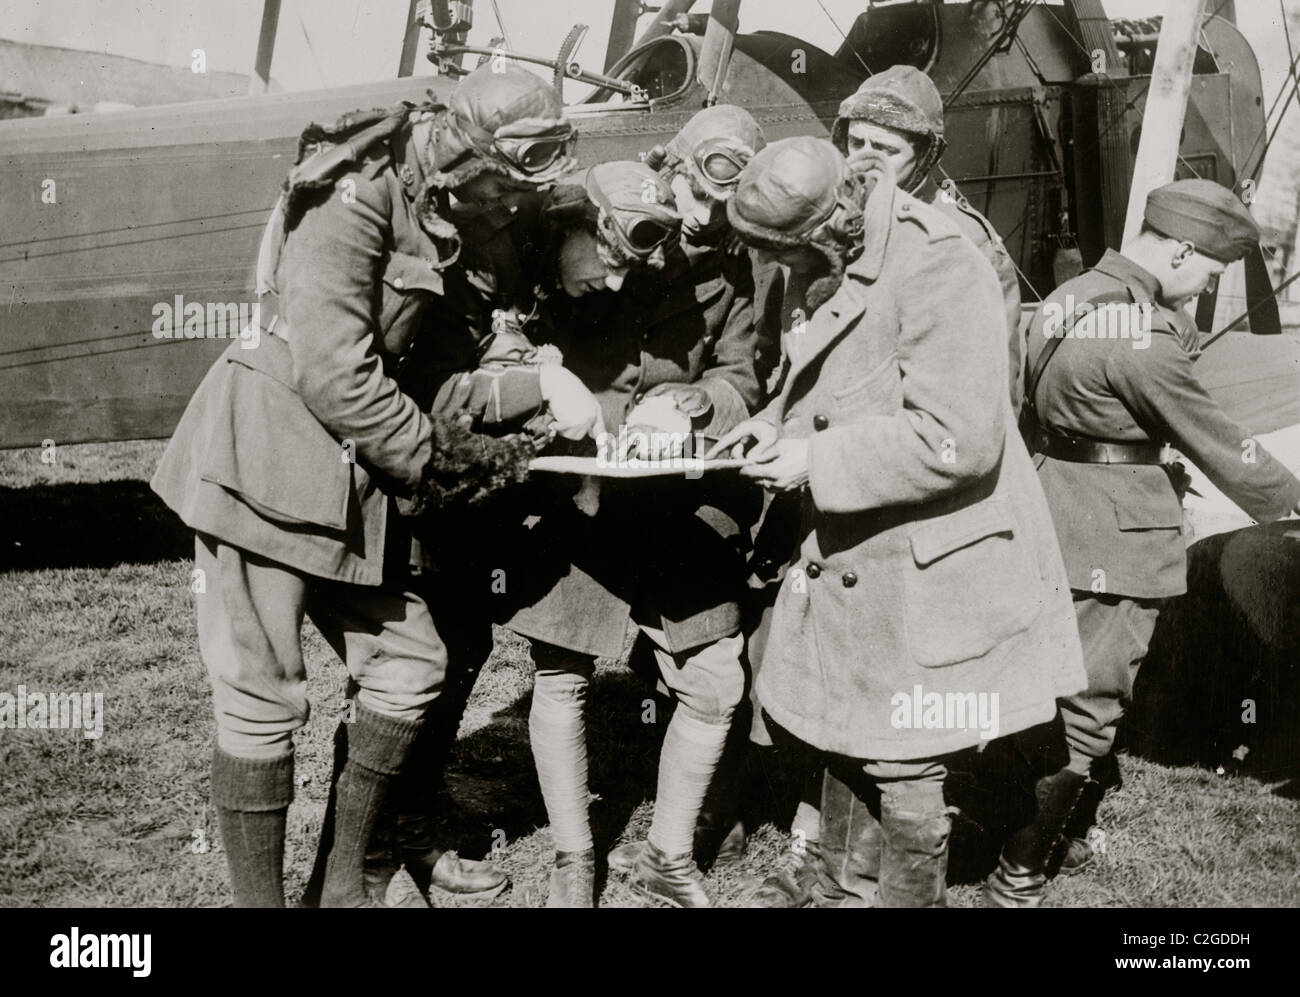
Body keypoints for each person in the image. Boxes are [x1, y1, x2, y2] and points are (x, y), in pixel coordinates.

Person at [150, 63, 577, 908]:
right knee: (262, 696)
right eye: (496, 188)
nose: (502, 209)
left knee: (413, 661)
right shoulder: (354, 193)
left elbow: (435, 364)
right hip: (262, 465)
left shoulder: (442, 204)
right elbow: (337, 373)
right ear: (460, 148)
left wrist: (525, 384)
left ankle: (341, 888)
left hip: (349, 478)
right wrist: (442, 467)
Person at [710, 136, 1085, 908]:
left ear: (822, 231)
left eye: (789, 255)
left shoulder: (939, 263)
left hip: (935, 552)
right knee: (850, 728)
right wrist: (774, 426)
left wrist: (816, 461)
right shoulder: (844, 244)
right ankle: (845, 885)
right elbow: (831, 375)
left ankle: (905, 898)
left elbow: (959, 439)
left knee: (905, 758)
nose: (786, 273)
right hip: (862, 540)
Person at [985, 178, 1300, 907]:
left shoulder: (1070, 295)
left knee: (1045, 679)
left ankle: (1006, 817)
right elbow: (1220, 441)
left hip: (1052, 508)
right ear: (1184, 251)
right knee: (1094, 702)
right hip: (1118, 529)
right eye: (1210, 274)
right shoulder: (1143, 335)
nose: (1203, 289)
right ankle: (1020, 869)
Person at [832, 64, 1025, 410]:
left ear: (925, 155)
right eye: (855, 142)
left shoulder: (965, 240)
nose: (865, 160)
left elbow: (992, 391)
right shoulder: (837, 217)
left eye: (887, 150)